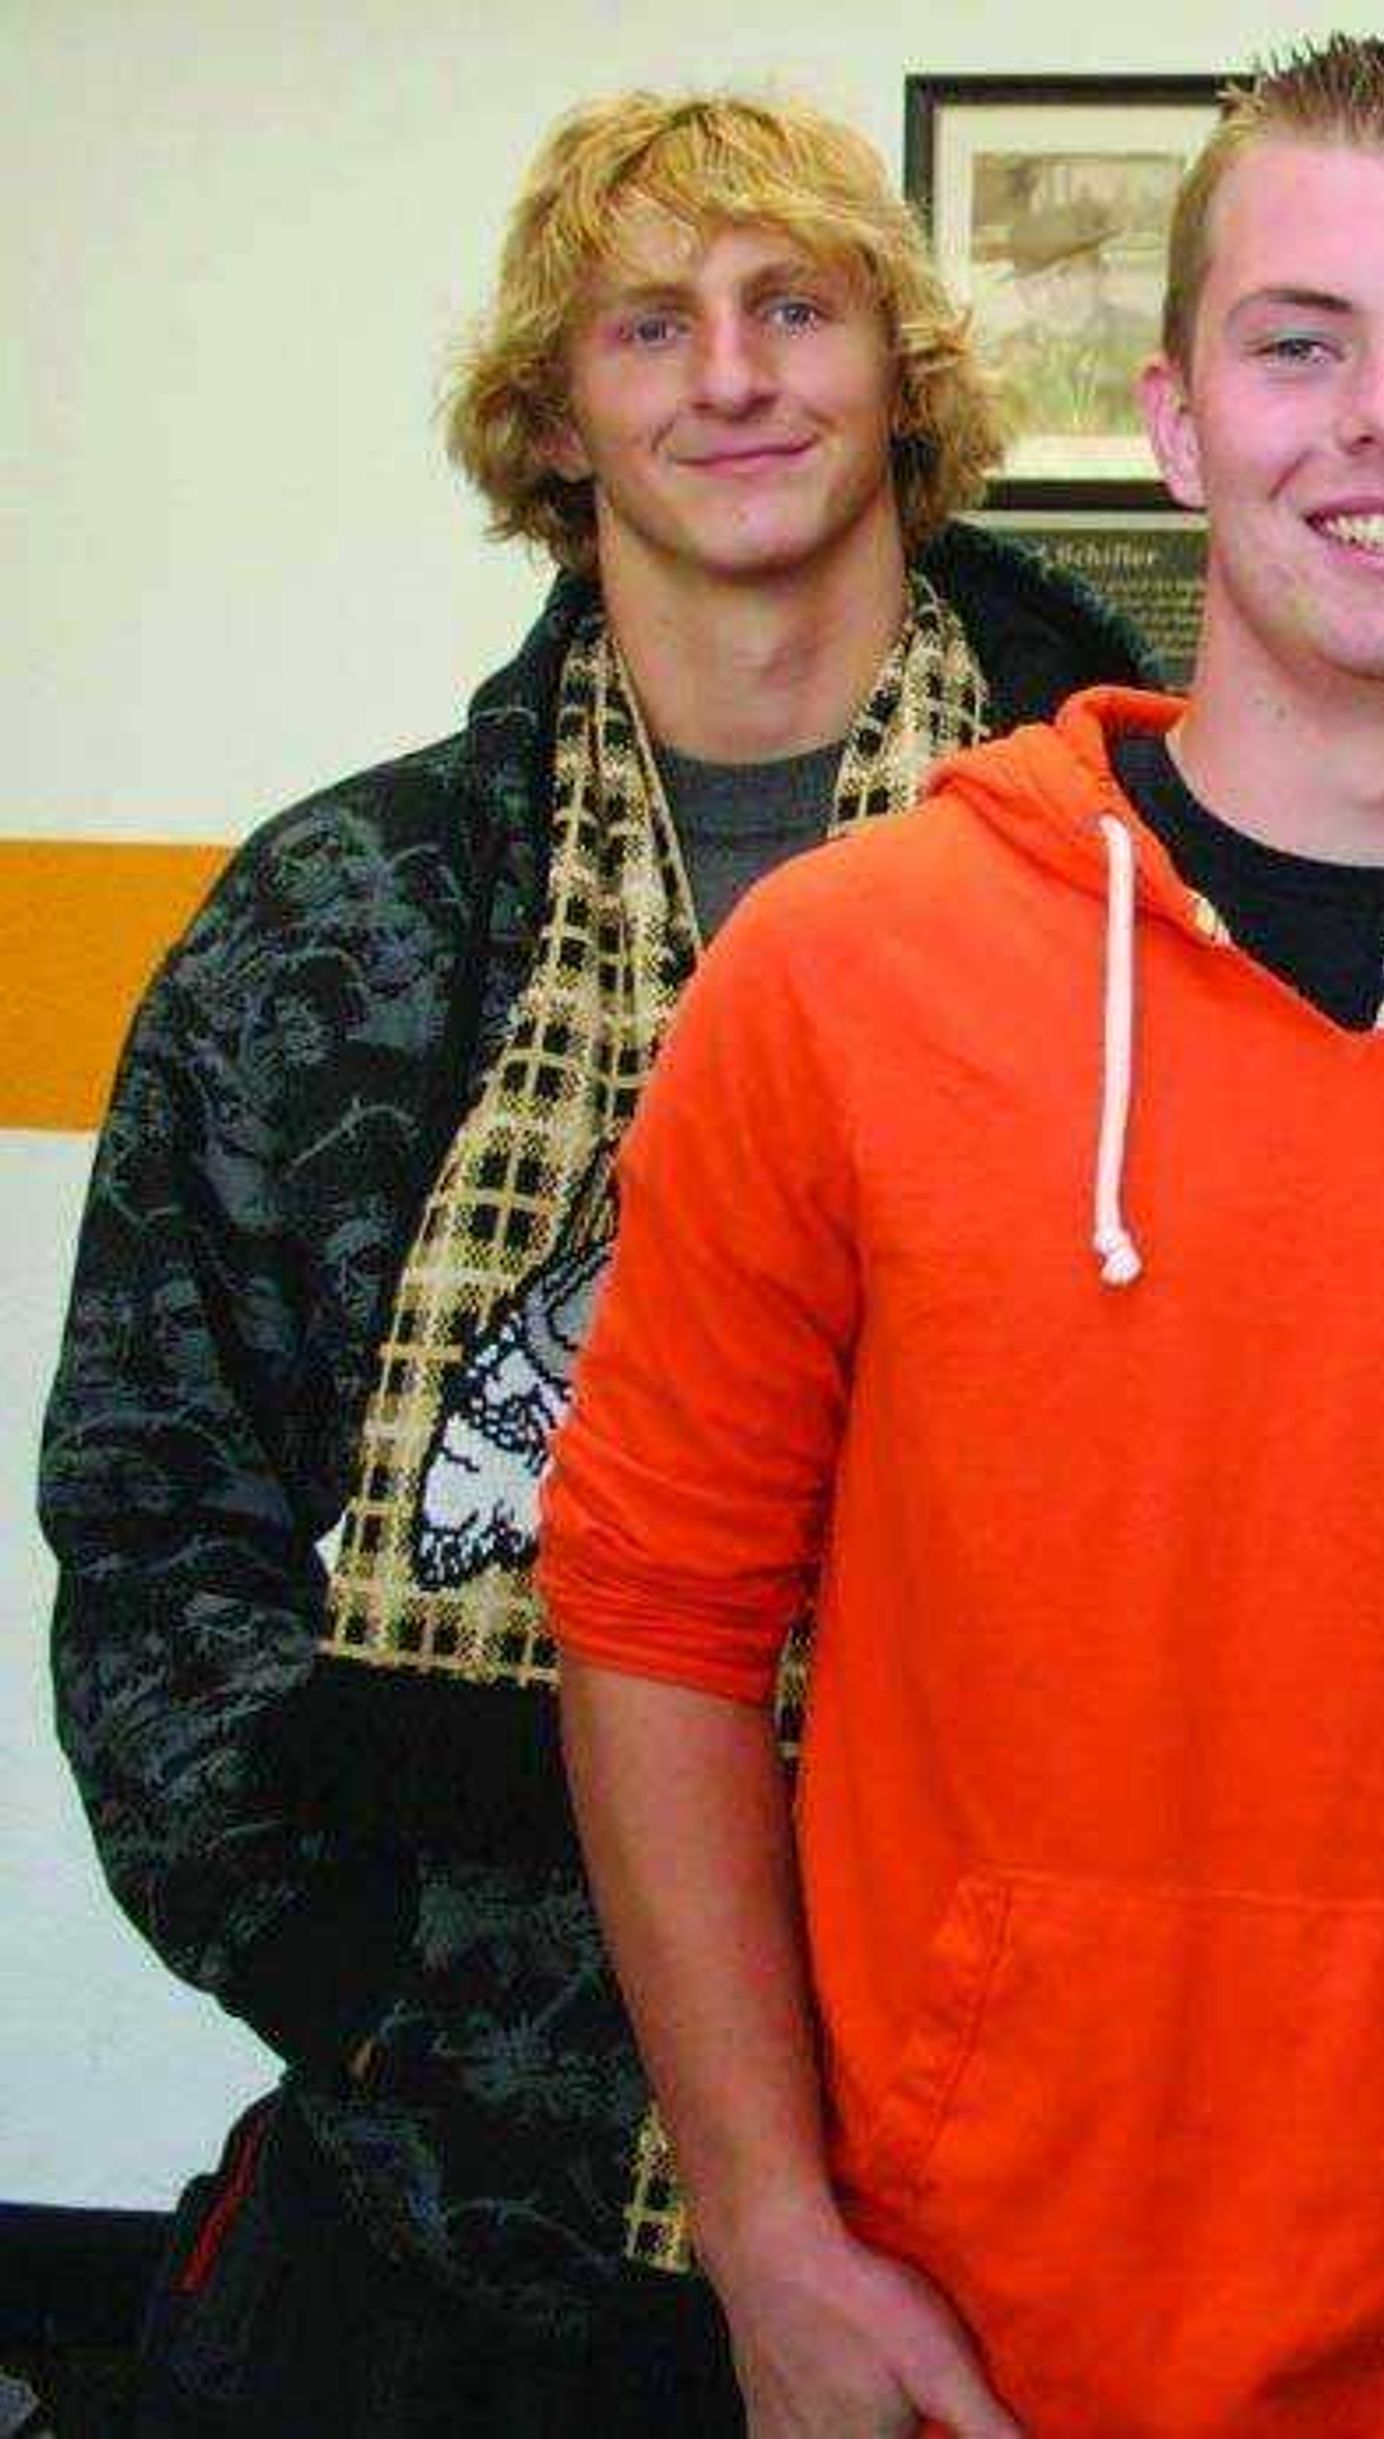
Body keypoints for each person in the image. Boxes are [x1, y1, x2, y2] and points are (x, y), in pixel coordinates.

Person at [538, 35, 1384, 2436]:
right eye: (1302, 343)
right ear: (1180, 418)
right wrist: (770, 2233)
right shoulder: (850, 980)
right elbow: (653, 1617)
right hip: (956, 2348)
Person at [38, 90, 1152, 2433]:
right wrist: (367, 1985)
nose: (731, 375)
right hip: (456, 2200)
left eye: (795, 308)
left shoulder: (1156, 907)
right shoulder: (340, 926)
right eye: (652, 325)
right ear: (559, 415)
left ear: (903, 374)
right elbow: (154, 1524)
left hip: (1036, 2176)